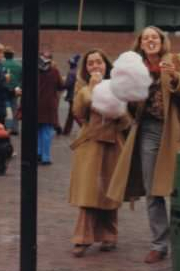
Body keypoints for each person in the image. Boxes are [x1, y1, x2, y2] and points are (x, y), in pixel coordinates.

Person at [106, 26, 180, 264]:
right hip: (147, 131)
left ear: (161, 41)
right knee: (152, 190)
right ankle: (159, 244)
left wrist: (176, 77)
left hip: (173, 132)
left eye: (154, 37)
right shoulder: (135, 69)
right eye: (146, 38)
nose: (150, 40)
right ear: (140, 43)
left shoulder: (178, 60)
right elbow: (127, 105)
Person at [68, 49, 131, 257]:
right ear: (85, 68)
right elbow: (78, 111)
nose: (95, 66)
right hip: (90, 143)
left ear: (107, 64)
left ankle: (109, 235)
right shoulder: (82, 86)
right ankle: (82, 239)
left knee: (109, 191)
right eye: (90, 63)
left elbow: (127, 121)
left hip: (114, 143)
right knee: (88, 191)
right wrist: (92, 89)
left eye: (99, 62)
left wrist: (118, 112)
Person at [37, 51, 65, 165]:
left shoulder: (34, 70)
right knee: (47, 131)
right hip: (49, 105)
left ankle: (37, 152)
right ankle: (46, 157)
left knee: (37, 130)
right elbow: (61, 86)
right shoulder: (54, 71)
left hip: (36, 104)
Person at [2, 46, 22, 135]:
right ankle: (14, 128)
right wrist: (18, 87)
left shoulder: (1, 64)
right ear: (13, 55)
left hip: (4, 89)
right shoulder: (19, 66)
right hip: (15, 90)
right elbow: (23, 79)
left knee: (3, 109)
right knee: (14, 109)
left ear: (4, 55)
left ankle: (4, 127)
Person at [62, 54, 80, 136]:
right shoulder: (77, 71)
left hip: (72, 95)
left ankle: (84, 128)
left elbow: (68, 84)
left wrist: (63, 83)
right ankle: (66, 130)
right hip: (76, 95)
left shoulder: (71, 73)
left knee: (73, 114)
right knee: (72, 114)